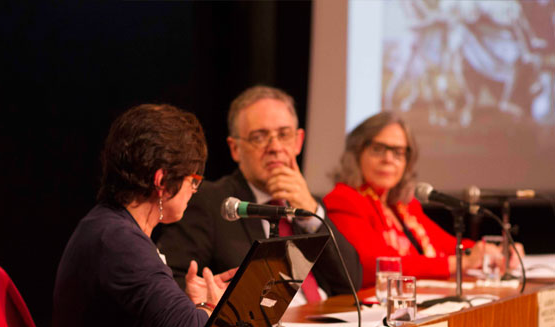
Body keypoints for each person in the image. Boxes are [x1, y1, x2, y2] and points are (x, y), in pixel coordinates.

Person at [51, 104, 235, 327]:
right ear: (162, 181)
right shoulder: (118, 240)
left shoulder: (111, 227)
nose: (194, 190)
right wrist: (212, 307)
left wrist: (195, 305)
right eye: (193, 181)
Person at [153, 86, 362, 303]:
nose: (275, 147)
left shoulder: (308, 204)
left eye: (284, 134)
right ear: (235, 149)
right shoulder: (210, 202)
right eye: (259, 137)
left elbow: (350, 283)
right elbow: (173, 281)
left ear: (298, 141)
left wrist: (310, 213)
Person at [323, 111, 518, 289]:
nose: (389, 159)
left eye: (398, 152)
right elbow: (376, 264)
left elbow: (447, 245)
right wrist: (460, 263)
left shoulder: (403, 206)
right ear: (356, 154)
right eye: (378, 149)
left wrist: (491, 252)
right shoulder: (344, 199)